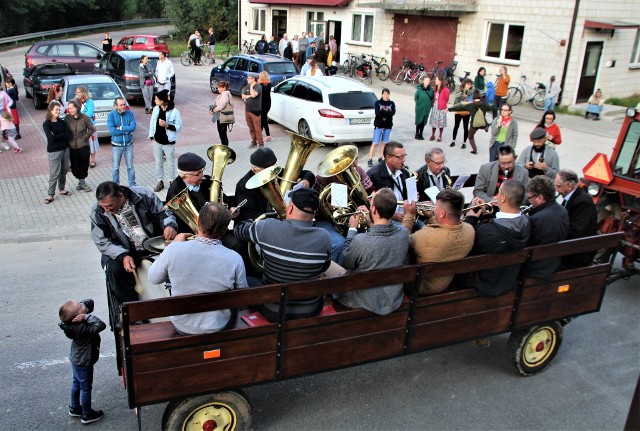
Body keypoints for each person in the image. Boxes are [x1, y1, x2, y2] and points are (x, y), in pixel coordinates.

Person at [233, 188, 332, 322]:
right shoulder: (324, 237)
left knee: (248, 279)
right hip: (310, 310)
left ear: (290, 208)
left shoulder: (267, 227)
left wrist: (257, 221)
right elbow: (324, 267)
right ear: (314, 212)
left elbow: (239, 230)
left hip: (272, 311)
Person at [148, 203, 248, 335]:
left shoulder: (174, 249)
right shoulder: (235, 258)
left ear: (198, 223)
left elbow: (153, 278)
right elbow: (243, 296)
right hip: (218, 325)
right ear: (224, 231)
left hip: (182, 325)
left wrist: (173, 245)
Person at [90, 181, 177, 315]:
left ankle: (175, 305)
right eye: (103, 207)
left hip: (151, 243)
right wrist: (122, 256)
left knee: (174, 259)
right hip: (121, 250)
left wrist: (169, 225)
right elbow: (102, 241)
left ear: (120, 196)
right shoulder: (97, 211)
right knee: (114, 269)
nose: (106, 210)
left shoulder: (142, 194)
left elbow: (163, 213)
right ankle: (130, 315)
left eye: (109, 206)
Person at [335, 188, 409, 315]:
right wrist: (370, 222)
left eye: (371, 204)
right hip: (393, 298)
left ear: (374, 210)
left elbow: (346, 262)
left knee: (328, 265)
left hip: (364, 300)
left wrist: (352, 229)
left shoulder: (361, 240)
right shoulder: (403, 233)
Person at [165, 152, 242, 252]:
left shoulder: (207, 181)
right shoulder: (175, 191)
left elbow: (223, 197)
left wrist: (231, 207)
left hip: (217, 229)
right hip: (194, 235)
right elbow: (175, 217)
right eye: (198, 174)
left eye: (202, 171)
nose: (202, 175)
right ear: (185, 176)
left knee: (235, 244)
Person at [464, 180, 530, 295]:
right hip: (508, 278)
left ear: (503, 198)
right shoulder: (527, 222)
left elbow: (466, 245)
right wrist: (488, 214)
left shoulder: (487, 231)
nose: (496, 196)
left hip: (485, 283)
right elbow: (504, 227)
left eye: (498, 193)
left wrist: (471, 219)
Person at [402, 189, 475, 294]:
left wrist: (409, 215)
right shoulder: (469, 230)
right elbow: (445, 231)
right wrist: (431, 217)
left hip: (420, 285)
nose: (433, 208)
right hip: (444, 282)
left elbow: (401, 243)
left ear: (442, 213)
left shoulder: (424, 237)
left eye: (435, 206)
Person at [313, 157, 374, 263]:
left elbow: (371, 189)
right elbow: (313, 200)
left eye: (356, 159)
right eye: (350, 161)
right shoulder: (323, 177)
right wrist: (326, 207)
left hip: (356, 215)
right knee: (340, 243)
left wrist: (372, 196)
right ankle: (340, 273)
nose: (354, 163)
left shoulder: (359, 171)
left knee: (366, 237)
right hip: (327, 220)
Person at [235, 147, 315, 222]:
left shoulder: (275, 172)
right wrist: (275, 215)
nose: (274, 172)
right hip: (263, 225)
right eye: (269, 169)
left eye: (274, 166)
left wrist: (306, 180)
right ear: (255, 170)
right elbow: (249, 215)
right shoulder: (243, 186)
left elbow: (308, 173)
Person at [58, 298, 105, 424]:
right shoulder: (82, 327)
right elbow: (101, 325)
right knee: (85, 388)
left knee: (76, 383)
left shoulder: (71, 325)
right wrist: (87, 317)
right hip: (84, 362)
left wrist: (82, 309)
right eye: (80, 305)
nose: (83, 303)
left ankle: (75, 407)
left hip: (76, 358)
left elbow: (89, 302)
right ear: (78, 316)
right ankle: (87, 414)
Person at [525, 175, 569, 279]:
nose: (529, 201)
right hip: (555, 263)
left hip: (537, 270)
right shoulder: (562, 210)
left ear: (540, 198)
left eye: (530, 197)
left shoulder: (537, 220)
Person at [555, 169, 598, 267]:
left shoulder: (583, 202)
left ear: (569, 185)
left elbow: (576, 232)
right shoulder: (571, 197)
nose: (557, 190)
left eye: (558, 186)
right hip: (571, 248)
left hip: (578, 253)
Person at [366, 142, 413, 222]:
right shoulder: (373, 175)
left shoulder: (405, 173)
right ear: (388, 158)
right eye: (400, 157)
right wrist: (391, 215)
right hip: (386, 219)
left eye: (404, 156)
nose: (403, 160)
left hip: (405, 216)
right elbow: (368, 204)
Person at [149, 90, 182, 192]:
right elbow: (152, 123)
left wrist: (166, 125)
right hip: (157, 141)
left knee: (170, 162)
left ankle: (172, 181)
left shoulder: (175, 111)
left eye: (156, 99)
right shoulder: (155, 109)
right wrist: (151, 136)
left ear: (162, 100)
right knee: (158, 162)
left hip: (168, 142)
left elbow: (179, 127)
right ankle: (160, 181)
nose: (154, 100)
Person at [448, 89, 495, 155]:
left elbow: (460, 107)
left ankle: (474, 150)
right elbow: (492, 109)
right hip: (482, 124)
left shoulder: (471, 105)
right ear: (480, 97)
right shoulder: (484, 105)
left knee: (470, 136)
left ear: (473, 97)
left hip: (474, 125)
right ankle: (486, 127)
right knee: (484, 122)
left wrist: (449, 109)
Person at [43, 101, 70, 204]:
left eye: (59, 110)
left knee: (64, 170)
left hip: (65, 149)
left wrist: (57, 136)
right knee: (54, 173)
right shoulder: (47, 124)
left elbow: (67, 134)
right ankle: (50, 194)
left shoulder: (62, 122)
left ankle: (62, 189)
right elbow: (51, 138)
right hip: (54, 151)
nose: (58, 111)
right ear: (50, 110)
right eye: (56, 110)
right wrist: (61, 135)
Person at [65, 100, 94, 192]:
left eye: (72, 108)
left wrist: (86, 137)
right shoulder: (67, 118)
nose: (70, 110)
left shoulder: (85, 117)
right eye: (69, 108)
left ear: (77, 107)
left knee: (84, 165)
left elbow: (91, 128)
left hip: (83, 146)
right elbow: (63, 129)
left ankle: (82, 183)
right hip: (72, 146)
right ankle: (82, 182)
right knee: (75, 166)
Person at [107, 97, 137, 186]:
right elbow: (112, 131)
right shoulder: (111, 115)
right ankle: (116, 185)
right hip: (116, 146)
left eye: (124, 104)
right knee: (115, 167)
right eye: (121, 105)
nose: (123, 106)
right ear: (116, 106)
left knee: (130, 166)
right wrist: (127, 130)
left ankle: (132, 185)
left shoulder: (130, 113)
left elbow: (133, 127)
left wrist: (120, 128)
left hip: (129, 145)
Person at [368, 88, 396, 167]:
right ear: (382, 94)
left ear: (389, 95)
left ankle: (380, 158)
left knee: (384, 143)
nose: (385, 95)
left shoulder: (392, 103)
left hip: (388, 126)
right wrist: (386, 114)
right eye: (384, 94)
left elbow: (393, 112)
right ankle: (370, 159)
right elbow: (377, 113)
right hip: (379, 125)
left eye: (387, 94)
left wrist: (384, 114)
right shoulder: (377, 103)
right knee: (375, 143)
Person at [75, 86, 99, 168]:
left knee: (91, 143)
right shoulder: (77, 102)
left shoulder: (90, 102)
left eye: (78, 92)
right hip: (80, 126)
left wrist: (79, 116)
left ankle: (92, 160)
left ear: (83, 93)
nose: (77, 94)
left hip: (89, 126)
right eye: (76, 92)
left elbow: (89, 114)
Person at [450, 78, 473, 149]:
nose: (469, 86)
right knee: (456, 126)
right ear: (464, 84)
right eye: (467, 84)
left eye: (470, 85)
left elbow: (472, 103)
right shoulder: (459, 91)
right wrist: (463, 102)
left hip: (466, 112)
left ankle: (464, 142)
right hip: (459, 111)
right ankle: (453, 140)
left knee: (465, 127)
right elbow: (456, 102)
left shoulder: (471, 93)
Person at [242, 74, 263, 148]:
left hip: (255, 111)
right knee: (251, 128)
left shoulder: (258, 87)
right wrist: (250, 95)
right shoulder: (247, 86)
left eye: (249, 78)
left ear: (254, 79)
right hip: (247, 110)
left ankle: (261, 143)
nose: (247, 79)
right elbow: (243, 96)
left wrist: (251, 87)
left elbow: (254, 95)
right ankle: (254, 142)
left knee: (257, 128)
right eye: (247, 78)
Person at [428, 75, 450, 142]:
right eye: (435, 80)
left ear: (440, 81)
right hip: (435, 107)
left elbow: (447, 99)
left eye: (437, 80)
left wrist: (443, 105)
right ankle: (433, 135)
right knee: (434, 121)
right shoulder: (435, 88)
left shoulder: (445, 90)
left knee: (441, 122)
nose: (435, 81)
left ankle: (440, 136)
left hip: (441, 107)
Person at [210, 80, 232, 146]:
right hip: (224, 116)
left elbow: (221, 105)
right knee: (223, 133)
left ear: (224, 88)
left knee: (222, 133)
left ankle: (225, 148)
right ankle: (225, 147)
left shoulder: (224, 94)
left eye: (219, 87)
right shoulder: (226, 94)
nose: (218, 89)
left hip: (222, 117)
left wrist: (214, 110)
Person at [414, 75, 433, 140]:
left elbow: (432, 98)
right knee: (419, 120)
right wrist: (418, 104)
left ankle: (421, 134)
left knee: (423, 121)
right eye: (426, 81)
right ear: (423, 81)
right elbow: (416, 97)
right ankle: (416, 134)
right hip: (420, 107)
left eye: (428, 81)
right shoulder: (419, 89)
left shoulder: (431, 90)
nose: (428, 82)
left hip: (427, 108)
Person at [258, 71, 272, 143]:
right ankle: (263, 134)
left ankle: (266, 135)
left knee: (263, 119)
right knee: (263, 118)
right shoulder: (269, 84)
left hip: (262, 104)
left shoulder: (260, 86)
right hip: (268, 103)